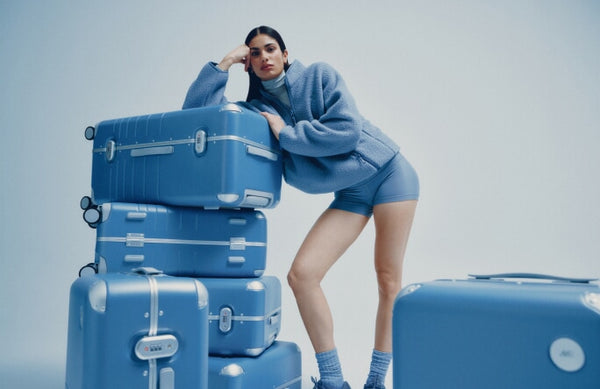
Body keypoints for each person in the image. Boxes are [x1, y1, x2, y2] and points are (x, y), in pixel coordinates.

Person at [182, 26, 419, 389]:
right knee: (302, 275)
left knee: (388, 279)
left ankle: (375, 381)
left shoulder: (319, 75)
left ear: (285, 54)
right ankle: (333, 380)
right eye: (255, 53)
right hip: (350, 193)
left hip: (389, 173)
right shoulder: (256, 111)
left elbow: (347, 131)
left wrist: (286, 134)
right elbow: (198, 117)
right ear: (249, 63)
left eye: (271, 49)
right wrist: (223, 64)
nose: (264, 57)